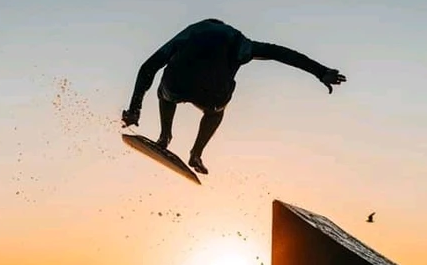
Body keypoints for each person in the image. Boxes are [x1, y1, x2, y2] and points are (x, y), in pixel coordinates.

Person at [121, 18, 346, 174]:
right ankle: (196, 153)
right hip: (214, 94)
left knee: (165, 93)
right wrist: (321, 72)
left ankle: (164, 138)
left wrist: (134, 109)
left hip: (177, 84)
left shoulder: (189, 33)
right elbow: (280, 53)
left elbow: (148, 67)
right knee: (215, 112)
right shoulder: (240, 41)